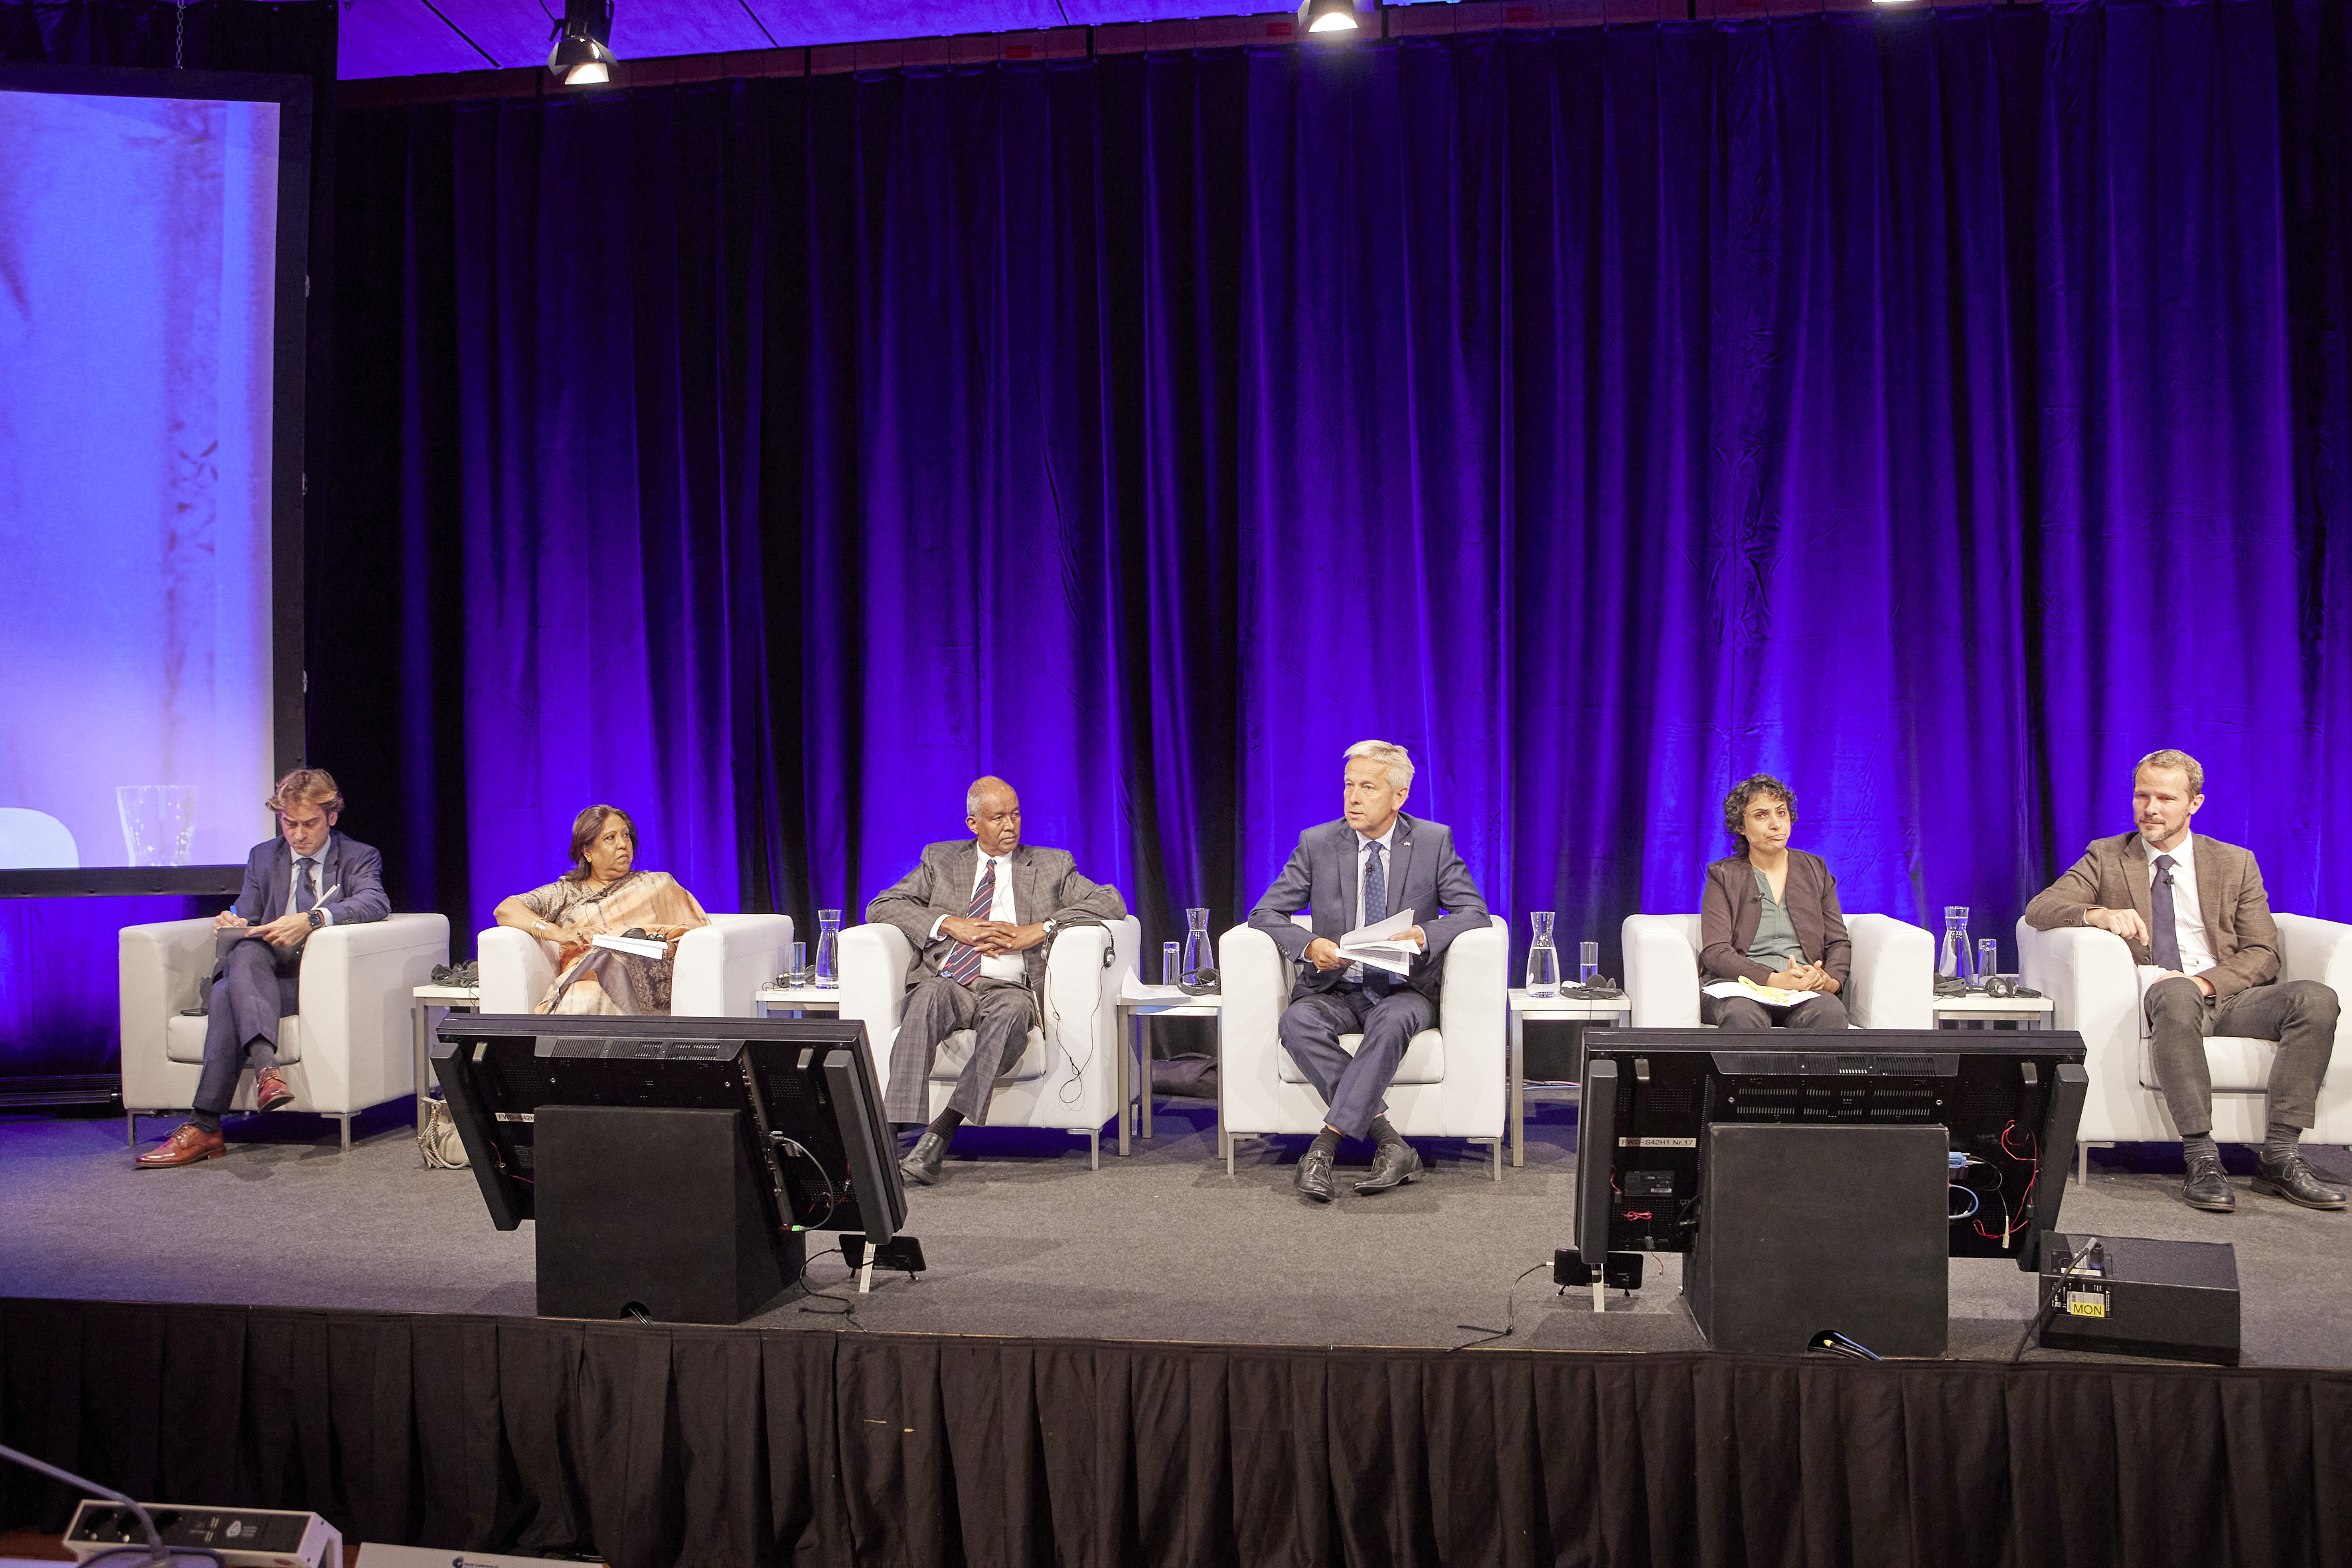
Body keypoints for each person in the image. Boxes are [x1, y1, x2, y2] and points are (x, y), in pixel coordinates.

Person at [2025, 749, 2341, 1214]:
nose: (2150, 809)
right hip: (2163, 998)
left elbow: (2263, 951)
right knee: (2174, 992)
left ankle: (2280, 1156)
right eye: (2141, 796)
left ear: (2194, 803)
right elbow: (2040, 909)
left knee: (2316, 999)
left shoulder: (2235, 862)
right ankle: (2201, 1158)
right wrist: (2096, 913)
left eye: (2165, 799)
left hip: (2230, 996)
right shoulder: (2108, 856)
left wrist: (2206, 983)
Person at [1247, 740, 1491, 1203]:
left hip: (1404, 989)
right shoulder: (1318, 843)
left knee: (1393, 1021)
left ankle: (1323, 1149)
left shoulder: (1432, 841)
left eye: (1367, 787)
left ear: (1399, 796)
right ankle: (1392, 1144)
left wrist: (1424, 935)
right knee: (1296, 1022)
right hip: (1335, 988)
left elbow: (1473, 913)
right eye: (1348, 786)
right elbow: (1265, 914)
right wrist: (1309, 945)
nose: (1353, 798)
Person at [866, 776, 1129, 1185]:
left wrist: (1039, 929)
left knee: (1010, 1017)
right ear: (974, 824)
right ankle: (888, 1136)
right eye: (998, 818)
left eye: (1016, 815)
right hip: (951, 980)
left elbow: (1111, 901)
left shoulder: (1052, 865)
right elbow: (882, 905)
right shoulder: (940, 860)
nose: (1010, 826)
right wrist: (950, 924)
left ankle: (942, 1130)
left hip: (1011, 987)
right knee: (924, 1000)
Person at [135, 768, 391, 1168]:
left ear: (331, 817)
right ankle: (266, 1074)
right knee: (246, 950)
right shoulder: (263, 856)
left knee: (226, 993)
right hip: (260, 977)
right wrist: (232, 920)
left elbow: (374, 902)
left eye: (309, 824)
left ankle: (205, 1126)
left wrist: (311, 920)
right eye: (289, 824)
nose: (298, 835)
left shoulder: (359, 856)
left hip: (310, 984)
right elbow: (248, 914)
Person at [493, 805, 710, 1014]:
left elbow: (695, 939)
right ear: (587, 851)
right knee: (583, 997)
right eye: (610, 838)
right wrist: (558, 933)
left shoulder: (658, 886)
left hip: (651, 983)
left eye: (626, 836)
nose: (623, 844)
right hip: (587, 980)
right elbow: (506, 909)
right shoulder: (568, 892)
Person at [1698, 775, 1851, 1032]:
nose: (1776, 824)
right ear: (1740, 826)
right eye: (1761, 815)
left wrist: (1829, 981)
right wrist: (1773, 980)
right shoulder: (1723, 875)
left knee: (1830, 1012)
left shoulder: (1816, 870)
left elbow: (1838, 942)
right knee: (1741, 1015)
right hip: (1741, 988)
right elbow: (1716, 951)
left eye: (1781, 813)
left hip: (1803, 991)